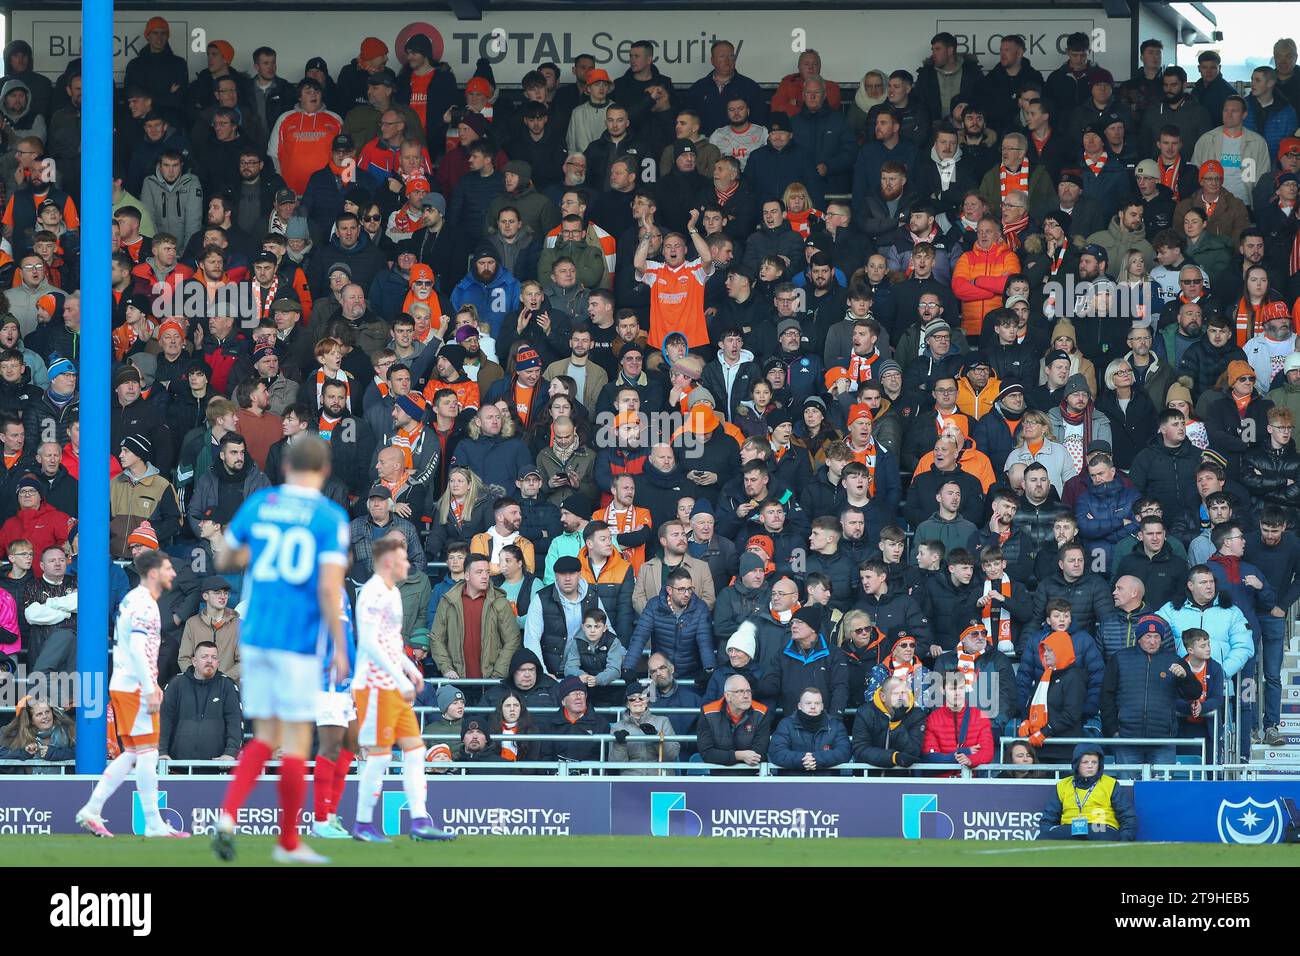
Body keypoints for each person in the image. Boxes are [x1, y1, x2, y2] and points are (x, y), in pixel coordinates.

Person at [210, 435, 351, 865]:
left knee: (264, 736)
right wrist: (341, 646)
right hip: (297, 639)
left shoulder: (262, 503)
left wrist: (258, 553)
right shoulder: (330, 517)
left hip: (254, 636)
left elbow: (225, 559)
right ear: (324, 471)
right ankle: (288, 842)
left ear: (285, 467)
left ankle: (228, 815)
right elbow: (330, 588)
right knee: (293, 740)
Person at [76, 549, 189, 839]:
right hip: (134, 685)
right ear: (154, 574)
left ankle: (93, 808)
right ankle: (152, 824)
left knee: (136, 753)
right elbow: (138, 649)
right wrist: (150, 687)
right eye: (167, 568)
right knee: (148, 752)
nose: (173, 574)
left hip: (127, 682)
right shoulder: (144, 605)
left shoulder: (135, 600)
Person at [349, 537, 451, 842]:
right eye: (404, 560)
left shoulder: (392, 593)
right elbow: (368, 642)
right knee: (379, 756)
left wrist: (408, 669)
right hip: (374, 684)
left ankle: (419, 819)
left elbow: (392, 642)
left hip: (392, 682)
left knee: (415, 751)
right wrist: (401, 675)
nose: (409, 565)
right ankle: (363, 823)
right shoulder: (372, 593)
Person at [1101, 614, 1202, 774]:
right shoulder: (1120, 658)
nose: (1152, 641)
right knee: (1128, 789)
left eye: (1156, 637)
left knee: (1162, 792)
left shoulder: (1174, 660)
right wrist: (1113, 730)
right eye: (1148, 636)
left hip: (1163, 739)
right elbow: (1106, 695)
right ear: (1139, 637)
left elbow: (1195, 693)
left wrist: (1186, 677)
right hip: (1126, 737)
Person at [158, 640, 242, 762]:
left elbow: (235, 722)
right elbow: (163, 720)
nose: (209, 660)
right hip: (177, 767)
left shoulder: (227, 686)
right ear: (194, 661)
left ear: (218, 662)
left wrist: (231, 753)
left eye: (214, 657)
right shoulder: (176, 684)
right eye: (204, 657)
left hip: (217, 767)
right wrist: (162, 752)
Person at [695, 674, 773, 770]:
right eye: (740, 691)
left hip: (752, 773)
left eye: (748, 691)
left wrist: (726, 757)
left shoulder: (761, 712)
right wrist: (738, 755)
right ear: (727, 696)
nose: (746, 696)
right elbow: (706, 753)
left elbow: (759, 753)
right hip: (720, 774)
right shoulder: (708, 712)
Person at [769, 687, 851, 775]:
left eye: (817, 703)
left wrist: (817, 759)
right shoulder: (786, 724)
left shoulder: (835, 725)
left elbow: (844, 752)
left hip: (827, 783)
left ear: (822, 706)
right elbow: (776, 752)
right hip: (793, 783)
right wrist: (802, 759)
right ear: (799, 706)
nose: (813, 707)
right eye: (808, 703)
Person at [609, 683, 680, 775]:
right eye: (632, 698)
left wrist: (656, 739)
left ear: (647, 701)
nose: (637, 701)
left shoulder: (663, 721)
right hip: (631, 778)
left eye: (641, 698)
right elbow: (617, 765)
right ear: (627, 704)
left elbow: (671, 755)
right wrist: (620, 745)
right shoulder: (617, 727)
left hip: (659, 776)